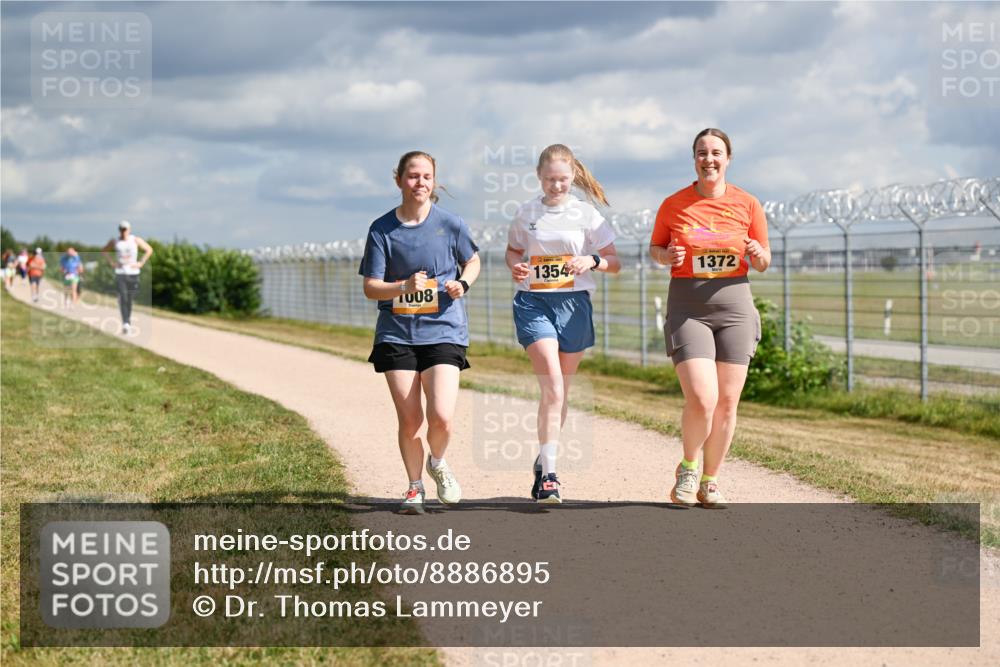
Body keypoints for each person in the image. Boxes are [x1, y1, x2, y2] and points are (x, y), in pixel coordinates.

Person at [649, 128, 771, 508]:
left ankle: (711, 480)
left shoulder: (748, 204)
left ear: (728, 158)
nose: (709, 159)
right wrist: (667, 257)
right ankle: (688, 467)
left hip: (735, 306)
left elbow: (765, 261)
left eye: (716, 153)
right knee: (702, 398)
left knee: (727, 402)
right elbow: (655, 248)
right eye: (702, 153)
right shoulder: (674, 204)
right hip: (689, 306)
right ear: (694, 159)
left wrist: (756, 252)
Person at [359, 151, 480, 515]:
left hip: (444, 329)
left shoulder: (451, 224)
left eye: (427, 176)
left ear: (435, 181)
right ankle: (414, 488)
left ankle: (438, 462)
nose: (420, 183)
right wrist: (403, 287)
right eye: (413, 176)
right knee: (410, 418)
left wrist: (462, 283)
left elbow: (472, 261)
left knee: (442, 415)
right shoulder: (381, 229)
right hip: (397, 333)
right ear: (399, 180)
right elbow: (370, 287)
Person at [506, 144, 620, 503]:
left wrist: (592, 261)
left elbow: (615, 262)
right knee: (553, 386)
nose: (557, 186)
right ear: (539, 177)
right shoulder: (526, 213)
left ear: (573, 177)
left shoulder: (587, 214)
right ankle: (550, 478)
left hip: (574, 305)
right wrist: (517, 266)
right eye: (551, 179)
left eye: (563, 179)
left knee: (561, 392)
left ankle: (544, 456)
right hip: (533, 301)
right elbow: (512, 251)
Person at [103, 220, 153, 334]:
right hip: (120, 272)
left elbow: (149, 250)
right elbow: (104, 251)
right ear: (119, 230)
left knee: (130, 298)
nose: (123, 231)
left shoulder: (135, 240)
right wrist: (112, 262)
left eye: (125, 229)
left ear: (129, 230)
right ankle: (126, 323)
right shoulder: (115, 241)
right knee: (123, 298)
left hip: (133, 273)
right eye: (121, 229)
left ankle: (127, 321)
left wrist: (141, 262)